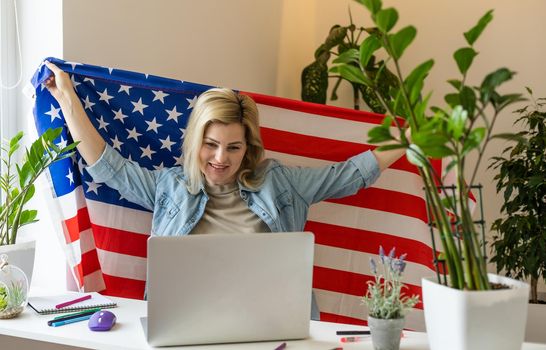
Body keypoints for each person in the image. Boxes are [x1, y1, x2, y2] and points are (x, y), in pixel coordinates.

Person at [44, 60, 407, 319]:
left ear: (249, 148)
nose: (221, 158)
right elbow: (109, 167)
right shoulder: (170, 186)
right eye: (211, 144)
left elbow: (350, 174)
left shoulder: (279, 182)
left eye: (234, 147)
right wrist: (67, 100)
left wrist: (408, 140)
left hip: (271, 324)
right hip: (185, 323)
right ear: (195, 140)